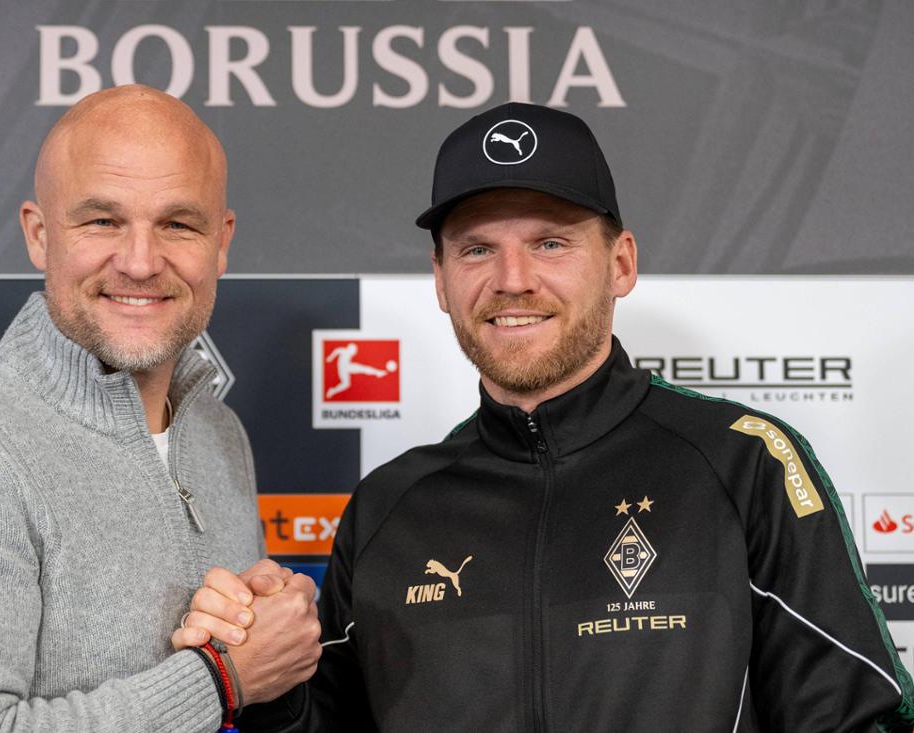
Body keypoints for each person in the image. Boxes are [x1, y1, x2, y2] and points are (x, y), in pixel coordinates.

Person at [187, 102, 914, 731]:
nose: (512, 280)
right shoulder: (389, 509)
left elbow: (856, 715)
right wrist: (272, 685)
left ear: (621, 262)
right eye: (477, 248)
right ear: (440, 280)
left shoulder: (744, 466)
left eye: (550, 242)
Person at [0, 84, 320, 732]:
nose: (139, 261)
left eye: (177, 223)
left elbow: (241, 676)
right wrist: (220, 679)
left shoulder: (219, 432)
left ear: (221, 241)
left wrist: (265, 639)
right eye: (102, 220)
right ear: (40, 234)